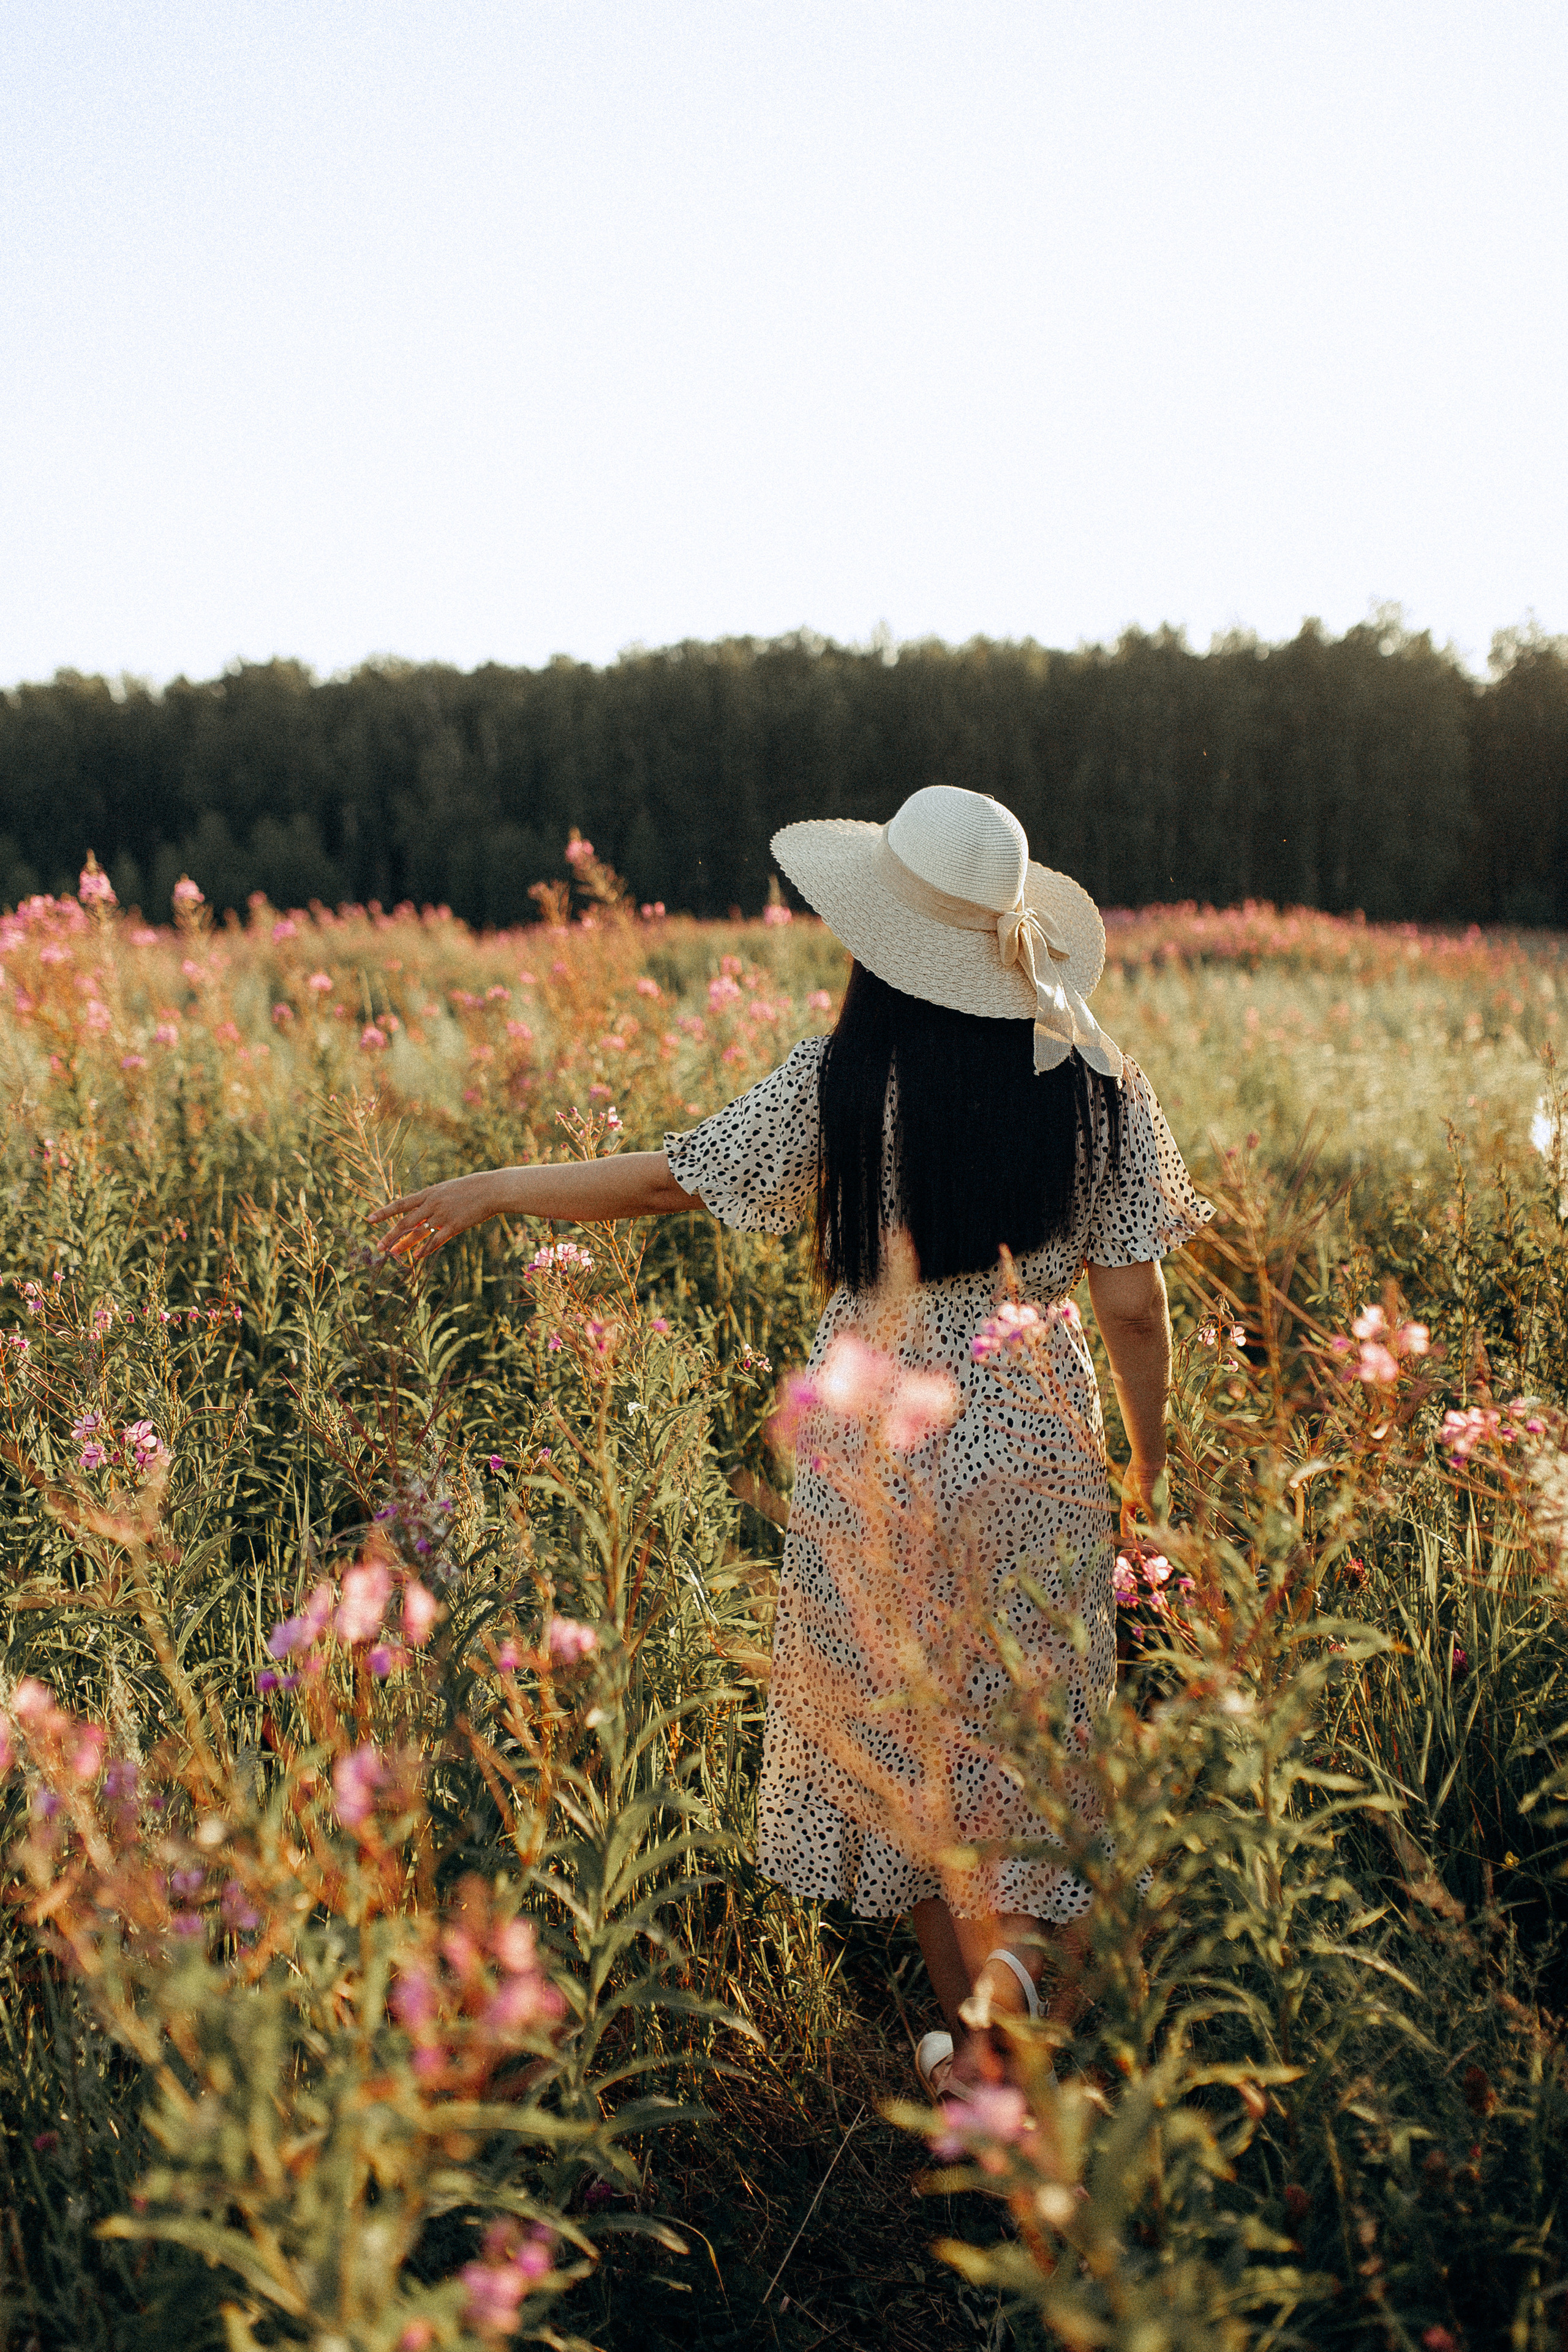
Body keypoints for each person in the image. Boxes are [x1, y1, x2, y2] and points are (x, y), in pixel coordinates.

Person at [371, 785, 1211, 2100]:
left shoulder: (847, 1077)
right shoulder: (1099, 1080)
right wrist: (1150, 1480)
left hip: (876, 1444)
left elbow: (667, 1177)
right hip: (1038, 1441)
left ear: (880, 942)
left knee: (913, 1755)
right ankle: (1010, 2014)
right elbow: (1131, 1304)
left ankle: (981, 2056)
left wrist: (495, 1188)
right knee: (1033, 1757)